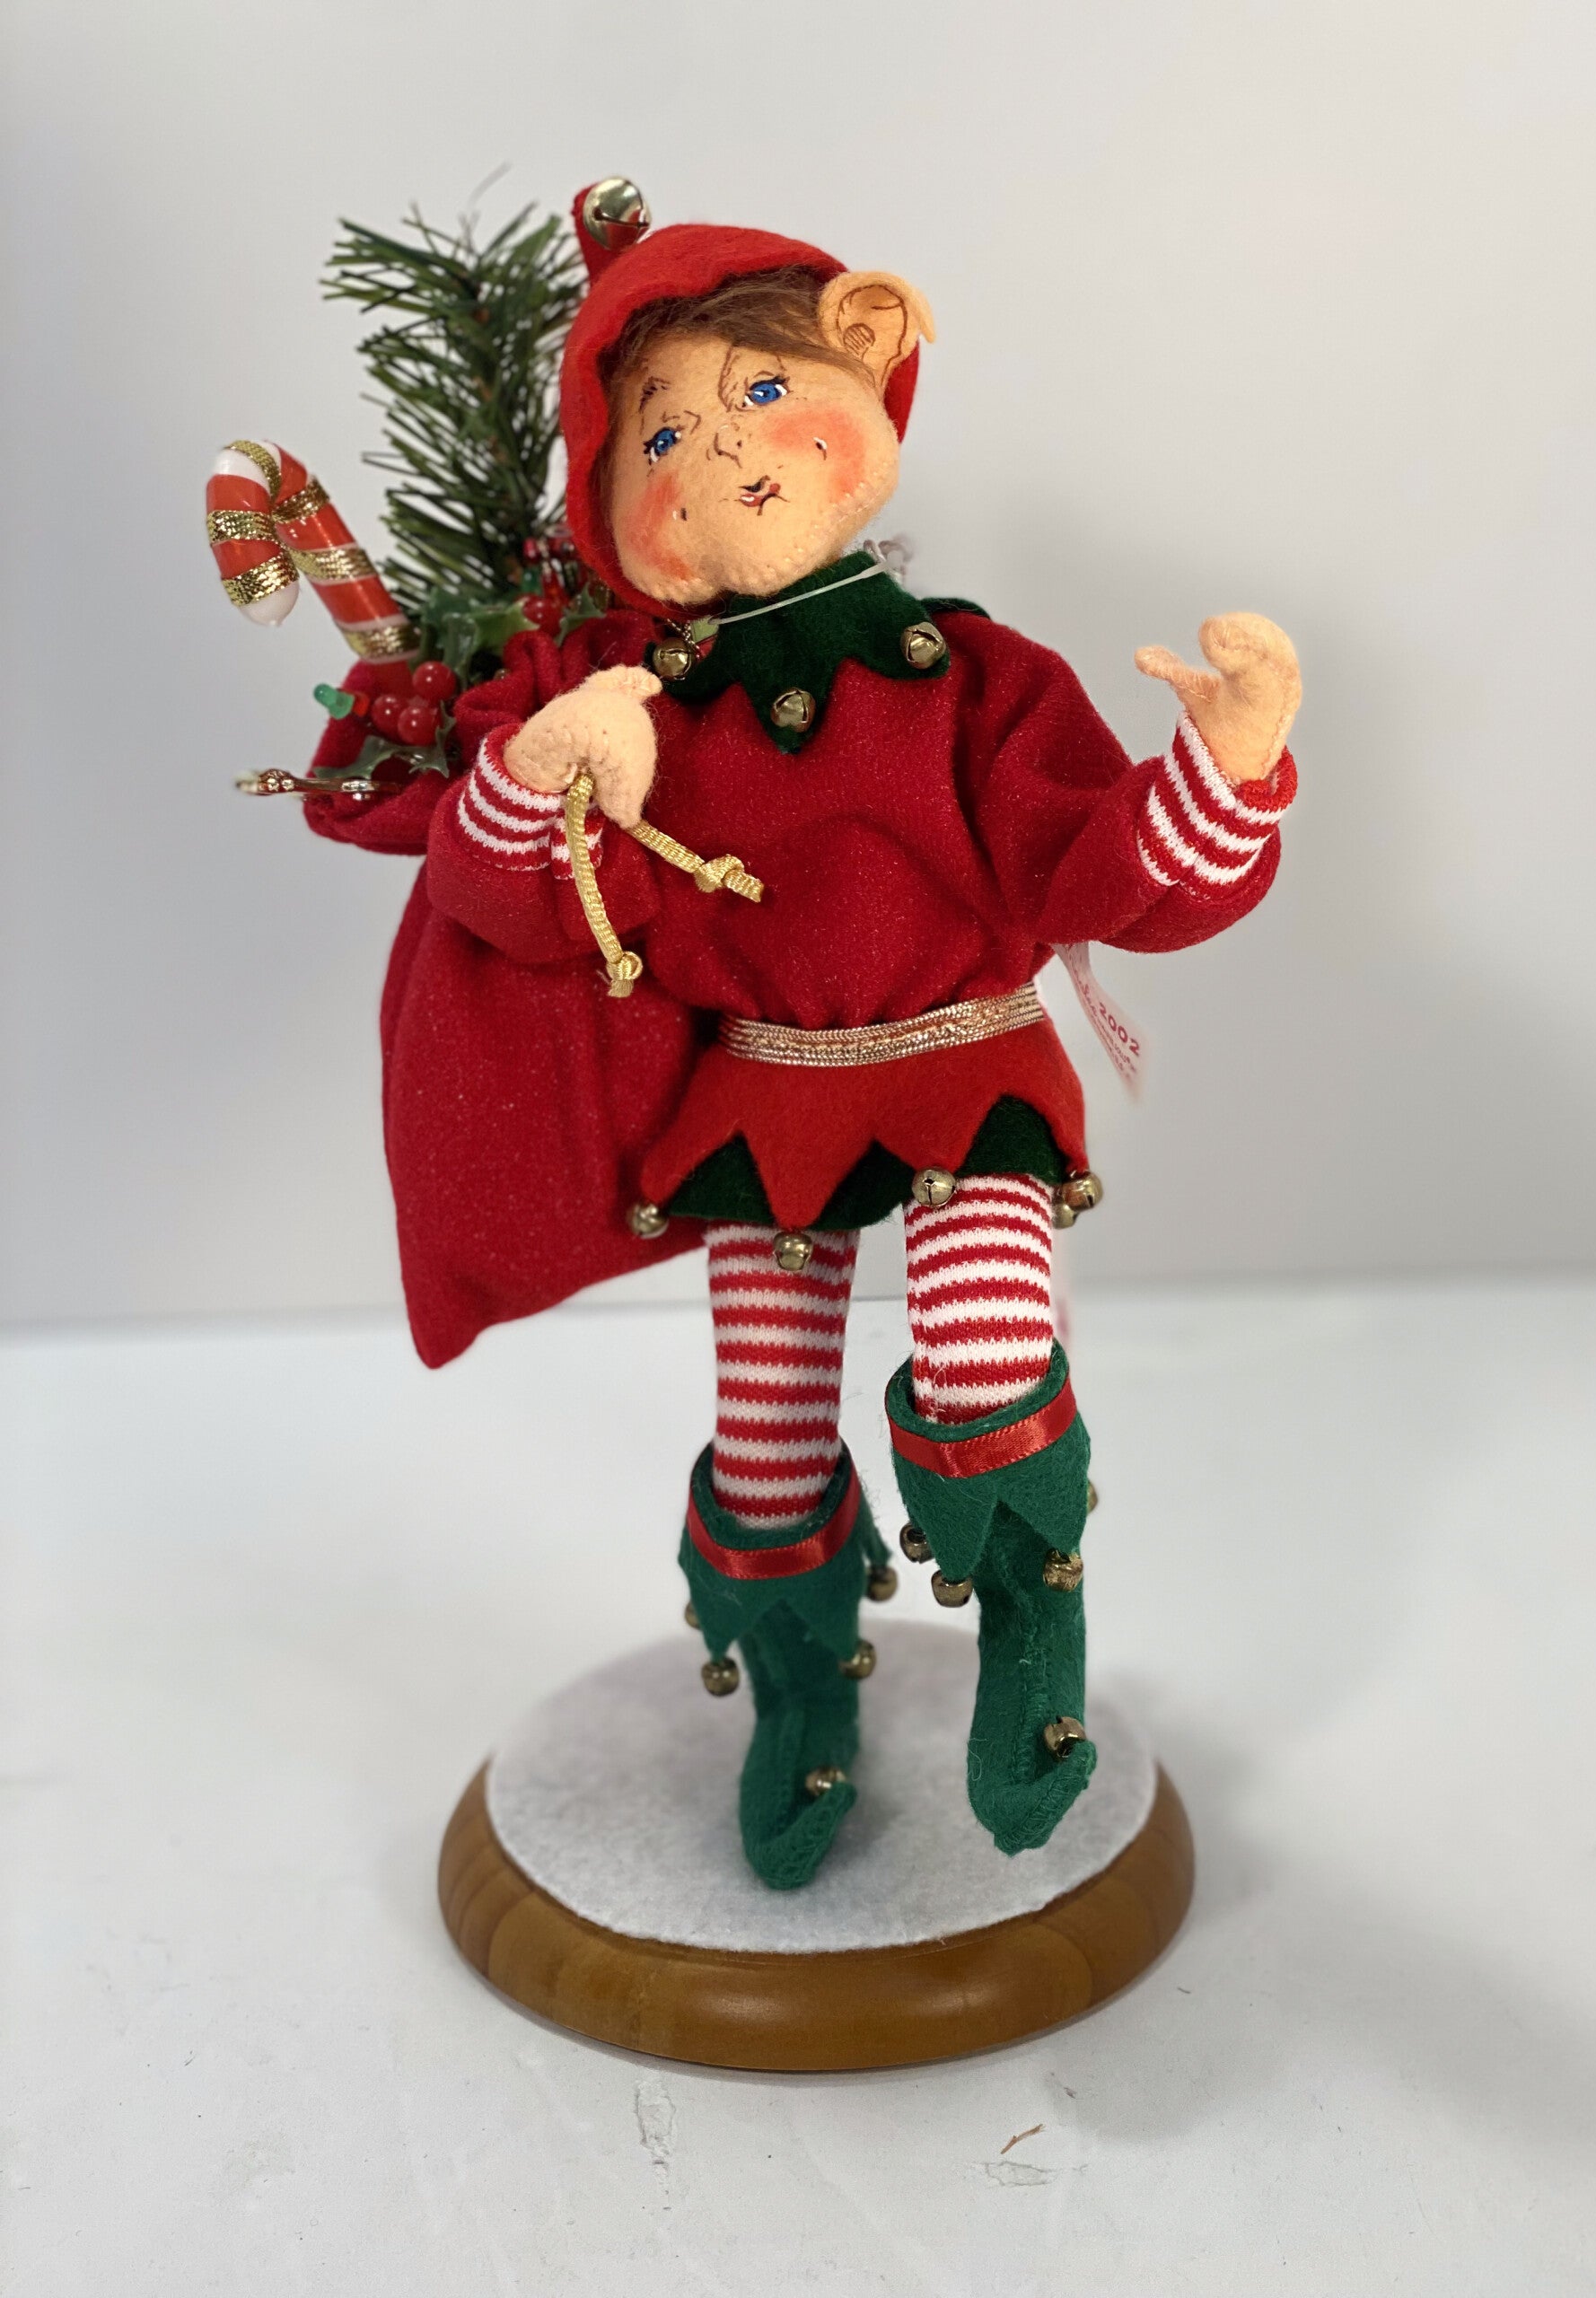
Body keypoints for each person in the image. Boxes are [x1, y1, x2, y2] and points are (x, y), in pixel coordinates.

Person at [306, 187, 1303, 1889]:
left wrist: (1226, 765)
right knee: (765, 1442)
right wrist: (543, 774)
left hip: (968, 1075)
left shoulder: (970, 677)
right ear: (616, 516)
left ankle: (1036, 1634)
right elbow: (534, 913)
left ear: (870, 368)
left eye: (764, 393)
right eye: (663, 436)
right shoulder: (645, 716)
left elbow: (1100, 869)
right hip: (764, 1102)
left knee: (987, 1354)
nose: (721, 449)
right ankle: (796, 1687)